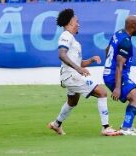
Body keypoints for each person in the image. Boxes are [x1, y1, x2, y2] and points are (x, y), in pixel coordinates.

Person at [48, 8, 120, 136]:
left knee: (72, 102)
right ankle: (106, 127)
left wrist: (90, 60)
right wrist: (78, 69)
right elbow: (61, 55)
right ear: (70, 23)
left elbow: (76, 62)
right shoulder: (65, 36)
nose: (78, 24)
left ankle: (56, 124)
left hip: (71, 74)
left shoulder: (72, 39)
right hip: (71, 75)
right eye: (77, 21)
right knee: (102, 92)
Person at [103, 15, 136, 136]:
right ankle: (126, 128)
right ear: (133, 26)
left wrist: (108, 63)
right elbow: (119, 65)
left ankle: (127, 124)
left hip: (112, 72)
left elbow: (107, 49)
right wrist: (117, 88)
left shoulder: (118, 33)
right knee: (135, 97)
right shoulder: (126, 42)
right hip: (115, 74)